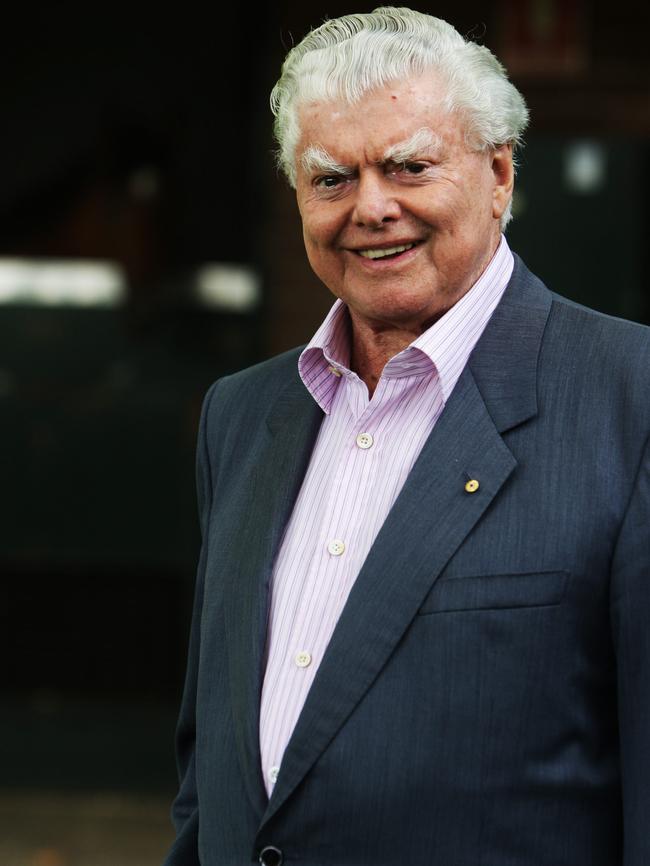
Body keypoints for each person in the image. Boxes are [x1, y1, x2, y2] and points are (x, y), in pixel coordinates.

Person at [163, 8, 650, 865]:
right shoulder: (240, 416)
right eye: (330, 179)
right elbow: (213, 770)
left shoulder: (630, 397)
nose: (371, 208)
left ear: (498, 174)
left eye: (408, 167)